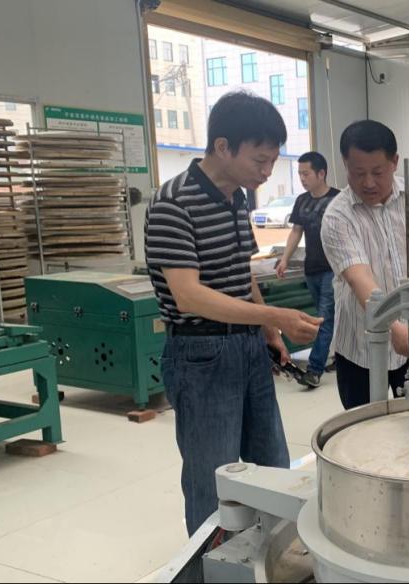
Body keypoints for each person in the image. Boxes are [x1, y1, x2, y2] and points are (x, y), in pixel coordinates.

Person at [144, 91, 322, 535]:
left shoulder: (237, 198)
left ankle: (274, 555)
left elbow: (241, 272)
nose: (267, 172)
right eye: (260, 160)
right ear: (223, 146)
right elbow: (188, 296)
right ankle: (208, 562)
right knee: (213, 480)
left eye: (272, 161)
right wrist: (274, 316)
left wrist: (267, 329)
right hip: (201, 355)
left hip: (246, 346)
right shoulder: (173, 203)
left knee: (273, 465)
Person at [320, 120, 409, 410]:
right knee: (362, 428)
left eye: (377, 172)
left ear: (395, 162)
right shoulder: (337, 216)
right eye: (358, 173)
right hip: (360, 348)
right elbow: (358, 277)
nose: (368, 183)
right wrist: (392, 325)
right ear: (345, 164)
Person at [275, 151, 341, 388]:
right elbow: (296, 231)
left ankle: (314, 371)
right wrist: (284, 259)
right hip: (311, 268)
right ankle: (340, 357)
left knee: (322, 319)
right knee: (328, 318)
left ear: (321, 173)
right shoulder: (302, 200)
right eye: (300, 174)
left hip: (333, 268)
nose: (302, 178)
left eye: (306, 173)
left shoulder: (338, 199)